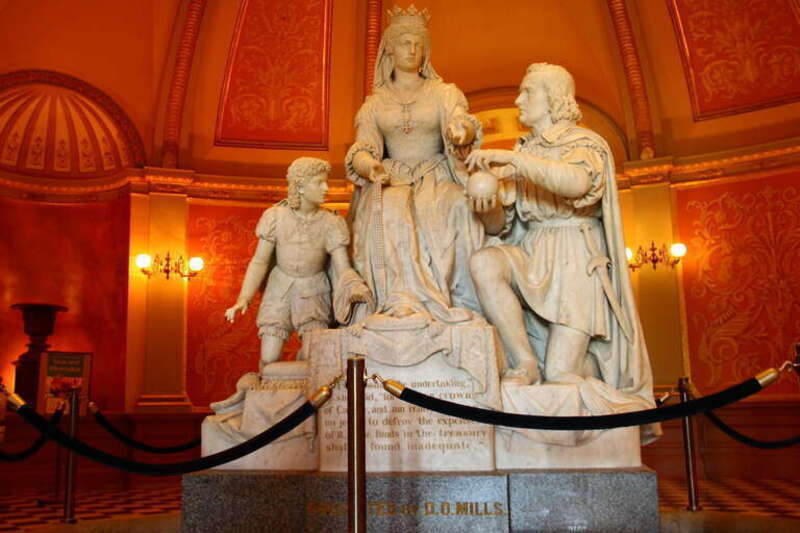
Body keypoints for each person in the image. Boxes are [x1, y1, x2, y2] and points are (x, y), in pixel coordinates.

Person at [464, 63, 655, 408]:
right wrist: (486, 204)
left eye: (528, 91)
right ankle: (524, 360)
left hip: (574, 260)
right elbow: (497, 228)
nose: (519, 100)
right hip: (532, 249)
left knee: (561, 373)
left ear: (553, 97)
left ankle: (599, 369)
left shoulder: (584, 143)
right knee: (484, 263)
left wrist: (514, 161)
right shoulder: (525, 151)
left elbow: (577, 184)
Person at [344, 4, 485, 325]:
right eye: (405, 42)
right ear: (389, 49)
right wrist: (370, 166)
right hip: (391, 178)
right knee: (390, 206)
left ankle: (458, 299)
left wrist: (462, 131)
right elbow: (362, 148)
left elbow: (461, 123)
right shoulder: (375, 103)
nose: (413, 49)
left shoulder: (444, 93)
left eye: (419, 44)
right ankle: (400, 300)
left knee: (458, 206)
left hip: (436, 176)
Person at [224, 157, 371, 377]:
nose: (326, 188)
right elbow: (260, 261)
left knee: (315, 360)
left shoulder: (331, 222)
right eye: (319, 182)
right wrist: (244, 298)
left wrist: (354, 288)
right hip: (279, 288)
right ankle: (270, 404)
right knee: (268, 359)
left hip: (314, 290)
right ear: (300, 186)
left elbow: (342, 267)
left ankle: (308, 406)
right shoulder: (275, 216)